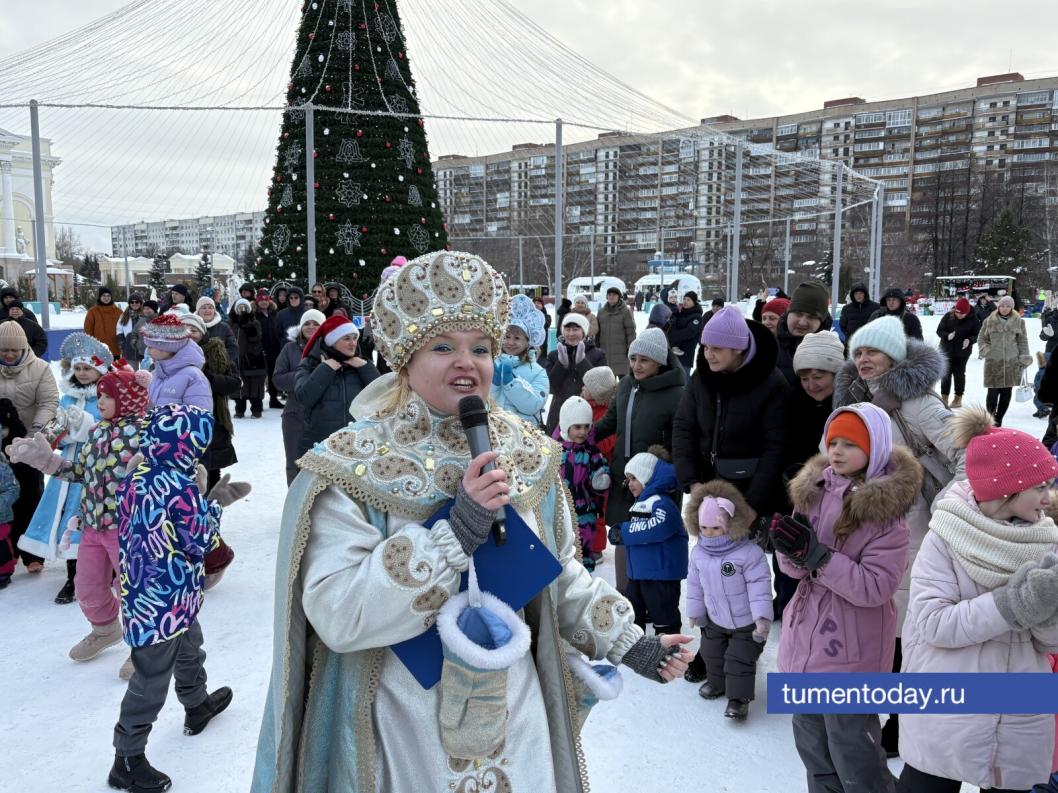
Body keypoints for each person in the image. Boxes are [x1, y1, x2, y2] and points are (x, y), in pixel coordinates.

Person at [251, 251, 693, 793]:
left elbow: (555, 574)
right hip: (400, 731)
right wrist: (452, 536)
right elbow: (338, 613)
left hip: (515, 720)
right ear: (404, 359)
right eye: (443, 347)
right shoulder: (351, 468)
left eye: (480, 348)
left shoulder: (526, 454)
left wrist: (628, 641)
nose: (467, 363)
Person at [898, 408, 1058, 793]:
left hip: (1016, 710)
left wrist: (1045, 611)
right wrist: (1013, 605)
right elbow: (935, 624)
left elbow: (1050, 644)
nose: (1048, 498)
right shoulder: (946, 537)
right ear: (1006, 489)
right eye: (1039, 487)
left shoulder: (1045, 541)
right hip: (947, 702)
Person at [774, 402, 920, 793]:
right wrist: (789, 550)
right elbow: (794, 572)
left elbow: (875, 587)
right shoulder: (814, 492)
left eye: (850, 444)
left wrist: (819, 557)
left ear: (875, 448)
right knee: (813, 748)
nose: (837, 451)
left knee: (853, 751)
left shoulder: (886, 516)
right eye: (833, 441)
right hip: (804, 642)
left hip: (851, 649)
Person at [835, 315, 964, 756]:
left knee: (904, 632)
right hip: (867, 529)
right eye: (858, 351)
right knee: (877, 625)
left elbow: (971, 456)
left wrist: (944, 507)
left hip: (915, 529)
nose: (864, 358)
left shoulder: (918, 402)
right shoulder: (855, 398)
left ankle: (901, 722)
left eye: (873, 350)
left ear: (894, 355)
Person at [107, 404, 241, 793]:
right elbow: (199, 539)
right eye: (198, 444)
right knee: (150, 678)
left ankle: (196, 704)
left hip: (153, 592)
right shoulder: (180, 487)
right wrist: (214, 505)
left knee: (189, 647)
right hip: (163, 598)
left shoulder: (136, 477)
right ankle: (127, 758)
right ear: (187, 445)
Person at [8, 362, 150, 674]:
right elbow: (80, 472)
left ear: (127, 399)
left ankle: (145, 646)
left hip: (128, 527)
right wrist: (45, 460)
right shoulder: (97, 432)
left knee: (133, 589)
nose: (101, 401)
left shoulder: (143, 434)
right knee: (86, 585)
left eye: (108, 396)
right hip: (92, 525)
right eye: (100, 395)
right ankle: (105, 629)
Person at [18, 332, 109, 604]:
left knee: (87, 515)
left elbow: (106, 429)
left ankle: (100, 571)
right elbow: (57, 429)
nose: (82, 373)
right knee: (67, 517)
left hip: (95, 466)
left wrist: (83, 425)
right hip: (66, 467)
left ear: (99, 370)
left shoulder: (106, 395)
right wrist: (58, 435)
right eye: (78, 368)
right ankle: (73, 574)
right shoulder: (68, 397)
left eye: (87, 368)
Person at [594, 328, 685, 591]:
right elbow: (611, 421)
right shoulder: (626, 385)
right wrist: (580, 436)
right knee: (624, 533)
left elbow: (681, 440)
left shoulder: (676, 393)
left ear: (660, 361)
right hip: (625, 476)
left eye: (644, 360)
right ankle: (626, 594)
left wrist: (670, 475)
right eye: (633, 359)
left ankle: (651, 596)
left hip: (656, 482)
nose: (636, 365)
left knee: (651, 536)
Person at [684, 480, 771, 720]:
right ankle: (717, 682)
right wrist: (696, 613)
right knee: (711, 653)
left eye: (715, 527)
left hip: (746, 623)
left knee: (738, 659)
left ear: (731, 525)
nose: (708, 533)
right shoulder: (699, 554)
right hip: (715, 619)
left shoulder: (749, 554)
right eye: (704, 527)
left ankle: (738, 698)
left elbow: (760, 589)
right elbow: (695, 586)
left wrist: (762, 619)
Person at [778, 330, 847, 619]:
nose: (811, 384)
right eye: (804, 378)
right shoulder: (792, 401)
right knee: (789, 554)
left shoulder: (846, 408)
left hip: (834, 497)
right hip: (795, 494)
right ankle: (787, 605)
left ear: (836, 373)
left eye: (819, 376)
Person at [0, 321, 58, 575]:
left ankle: (32, 553)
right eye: (4, 350)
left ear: (24, 348)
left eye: (14, 350)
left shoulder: (40, 368)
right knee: (3, 495)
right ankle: (6, 550)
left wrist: (35, 432)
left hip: (28, 441)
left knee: (30, 494)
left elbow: (49, 401)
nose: (9, 354)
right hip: (0, 440)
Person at [614, 447, 688, 637]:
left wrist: (624, 532)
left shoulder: (662, 503)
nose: (630, 484)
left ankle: (668, 652)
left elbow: (658, 527)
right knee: (633, 619)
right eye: (628, 479)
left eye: (634, 478)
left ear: (646, 477)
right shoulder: (639, 504)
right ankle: (636, 650)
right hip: (638, 575)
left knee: (664, 620)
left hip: (660, 577)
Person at [294, 314, 380, 456]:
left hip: (358, 446)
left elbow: (382, 397)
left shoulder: (362, 364)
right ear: (332, 341)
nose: (353, 343)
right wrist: (325, 369)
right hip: (320, 446)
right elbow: (304, 397)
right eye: (346, 338)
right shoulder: (311, 363)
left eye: (354, 338)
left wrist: (366, 368)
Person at [182, 313, 241, 492]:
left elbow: (234, 382)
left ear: (202, 332)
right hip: (181, 422)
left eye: (194, 330)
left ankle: (211, 506)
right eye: (185, 329)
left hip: (213, 419)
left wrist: (208, 378)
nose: (189, 333)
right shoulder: (170, 354)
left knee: (211, 471)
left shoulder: (216, 351)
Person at [556, 396, 611, 572]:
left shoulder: (591, 452)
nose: (583, 432)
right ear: (566, 426)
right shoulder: (554, 450)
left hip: (585, 512)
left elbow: (601, 473)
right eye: (578, 427)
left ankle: (585, 580)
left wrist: (600, 480)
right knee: (561, 552)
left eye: (587, 427)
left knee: (583, 551)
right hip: (560, 512)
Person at [273, 309, 324, 485]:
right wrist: (305, 377)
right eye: (307, 323)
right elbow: (278, 379)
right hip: (295, 415)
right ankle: (295, 502)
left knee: (323, 467)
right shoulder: (289, 349)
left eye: (316, 324)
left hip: (324, 414)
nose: (311, 327)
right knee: (295, 464)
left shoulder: (331, 349)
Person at [541, 312, 606, 434]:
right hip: (559, 414)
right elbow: (550, 387)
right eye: (567, 329)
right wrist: (561, 365)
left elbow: (601, 388)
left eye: (575, 329)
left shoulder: (598, 355)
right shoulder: (554, 355)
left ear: (584, 332)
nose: (571, 334)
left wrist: (582, 362)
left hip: (587, 415)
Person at [490, 294, 548, 426]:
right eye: (507, 337)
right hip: (493, 431)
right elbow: (482, 401)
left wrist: (511, 384)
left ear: (528, 342)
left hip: (523, 433)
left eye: (517, 338)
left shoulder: (538, 372)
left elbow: (534, 405)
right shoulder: (490, 364)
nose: (510, 342)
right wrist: (494, 385)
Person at [581, 365, 618, 561]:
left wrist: (586, 438)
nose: (582, 388)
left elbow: (606, 442)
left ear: (596, 391)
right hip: (582, 467)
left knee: (597, 511)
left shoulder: (607, 414)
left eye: (586, 386)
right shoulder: (584, 407)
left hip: (600, 471)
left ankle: (596, 548)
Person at [978, 294, 1031, 427]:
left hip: (1011, 363)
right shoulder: (989, 321)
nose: (1004, 308)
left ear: (1012, 308)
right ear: (998, 306)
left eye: (1008, 306)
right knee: (992, 394)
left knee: (1006, 394)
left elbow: (1022, 341)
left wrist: (1024, 357)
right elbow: (981, 338)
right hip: (993, 363)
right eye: (1002, 306)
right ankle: (990, 420)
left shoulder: (1019, 322)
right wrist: (987, 350)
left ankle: (999, 420)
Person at [140, 313, 212, 412]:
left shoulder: (193, 376)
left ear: (165, 348)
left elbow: (199, 417)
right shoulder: (155, 374)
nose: (148, 351)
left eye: (150, 347)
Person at [776, 280, 833, 386]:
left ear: (821, 322)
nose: (802, 322)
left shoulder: (836, 352)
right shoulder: (767, 348)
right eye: (798, 314)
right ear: (788, 313)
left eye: (811, 317)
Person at [936, 296, 981, 409]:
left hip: (962, 352)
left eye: (962, 314)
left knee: (959, 374)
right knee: (945, 374)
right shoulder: (948, 316)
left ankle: (958, 399)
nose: (959, 315)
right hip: (946, 349)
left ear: (967, 312)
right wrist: (947, 336)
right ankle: (944, 398)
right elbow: (939, 330)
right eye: (957, 312)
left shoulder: (974, 320)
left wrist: (969, 340)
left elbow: (977, 335)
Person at [232, 298, 266, 418]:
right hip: (236, 360)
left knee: (255, 386)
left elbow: (257, 338)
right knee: (239, 388)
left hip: (252, 358)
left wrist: (248, 327)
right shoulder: (231, 323)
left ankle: (257, 410)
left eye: (245, 308)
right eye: (239, 308)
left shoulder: (255, 322)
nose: (242, 310)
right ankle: (239, 410)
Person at [595, 286, 636, 377]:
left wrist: (631, 348)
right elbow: (598, 332)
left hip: (622, 353)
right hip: (605, 353)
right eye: (609, 295)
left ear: (619, 297)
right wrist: (597, 347)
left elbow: (631, 331)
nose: (611, 297)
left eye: (614, 295)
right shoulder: (601, 312)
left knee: (624, 381)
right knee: (607, 382)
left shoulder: (625, 311)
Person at [255, 288, 285, 409]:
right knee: (259, 376)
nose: (263, 302)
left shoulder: (274, 313)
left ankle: (273, 398)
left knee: (273, 374)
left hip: (274, 349)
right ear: (257, 301)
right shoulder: (254, 315)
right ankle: (258, 401)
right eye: (261, 300)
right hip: (260, 349)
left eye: (266, 300)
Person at [196, 296, 239, 370]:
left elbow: (233, 349)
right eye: (204, 308)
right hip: (198, 369)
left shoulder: (224, 327)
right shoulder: (193, 327)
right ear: (198, 311)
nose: (207, 310)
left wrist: (218, 360)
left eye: (210, 308)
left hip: (221, 371)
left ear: (214, 311)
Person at [666, 291, 703, 372]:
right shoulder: (681, 313)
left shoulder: (697, 317)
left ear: (694, 302)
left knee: (684, 378)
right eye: (684, 299)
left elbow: (689, 332)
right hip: (673, 353)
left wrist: (671, 337)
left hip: (685, 354)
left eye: (688, 300)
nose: (685, 301)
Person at [83, 286, 123, 357]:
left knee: (114, 364)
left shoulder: (118, 311)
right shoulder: (93, 311)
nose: (106, 298)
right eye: (104, 295)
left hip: (115, 349)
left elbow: (123, 328)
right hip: (99, 349)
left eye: (108, 296)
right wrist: (91, 345)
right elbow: (88, 330)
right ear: (99, 297)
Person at [0, 448, 19, 590]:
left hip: (1, 517)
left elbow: (13, 489)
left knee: (1, 545)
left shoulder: (2, 468)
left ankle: (4, 571)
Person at [116, 293, 145, 369]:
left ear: (140, 303)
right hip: (129, 349)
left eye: (137, 302)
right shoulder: (124, 316)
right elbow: (119, 330)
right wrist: (122, 343)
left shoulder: (145, 315)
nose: (134, 304)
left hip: (143, 348)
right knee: (131, 372)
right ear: (129, 303)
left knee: (146, 372)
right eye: (132, 302)